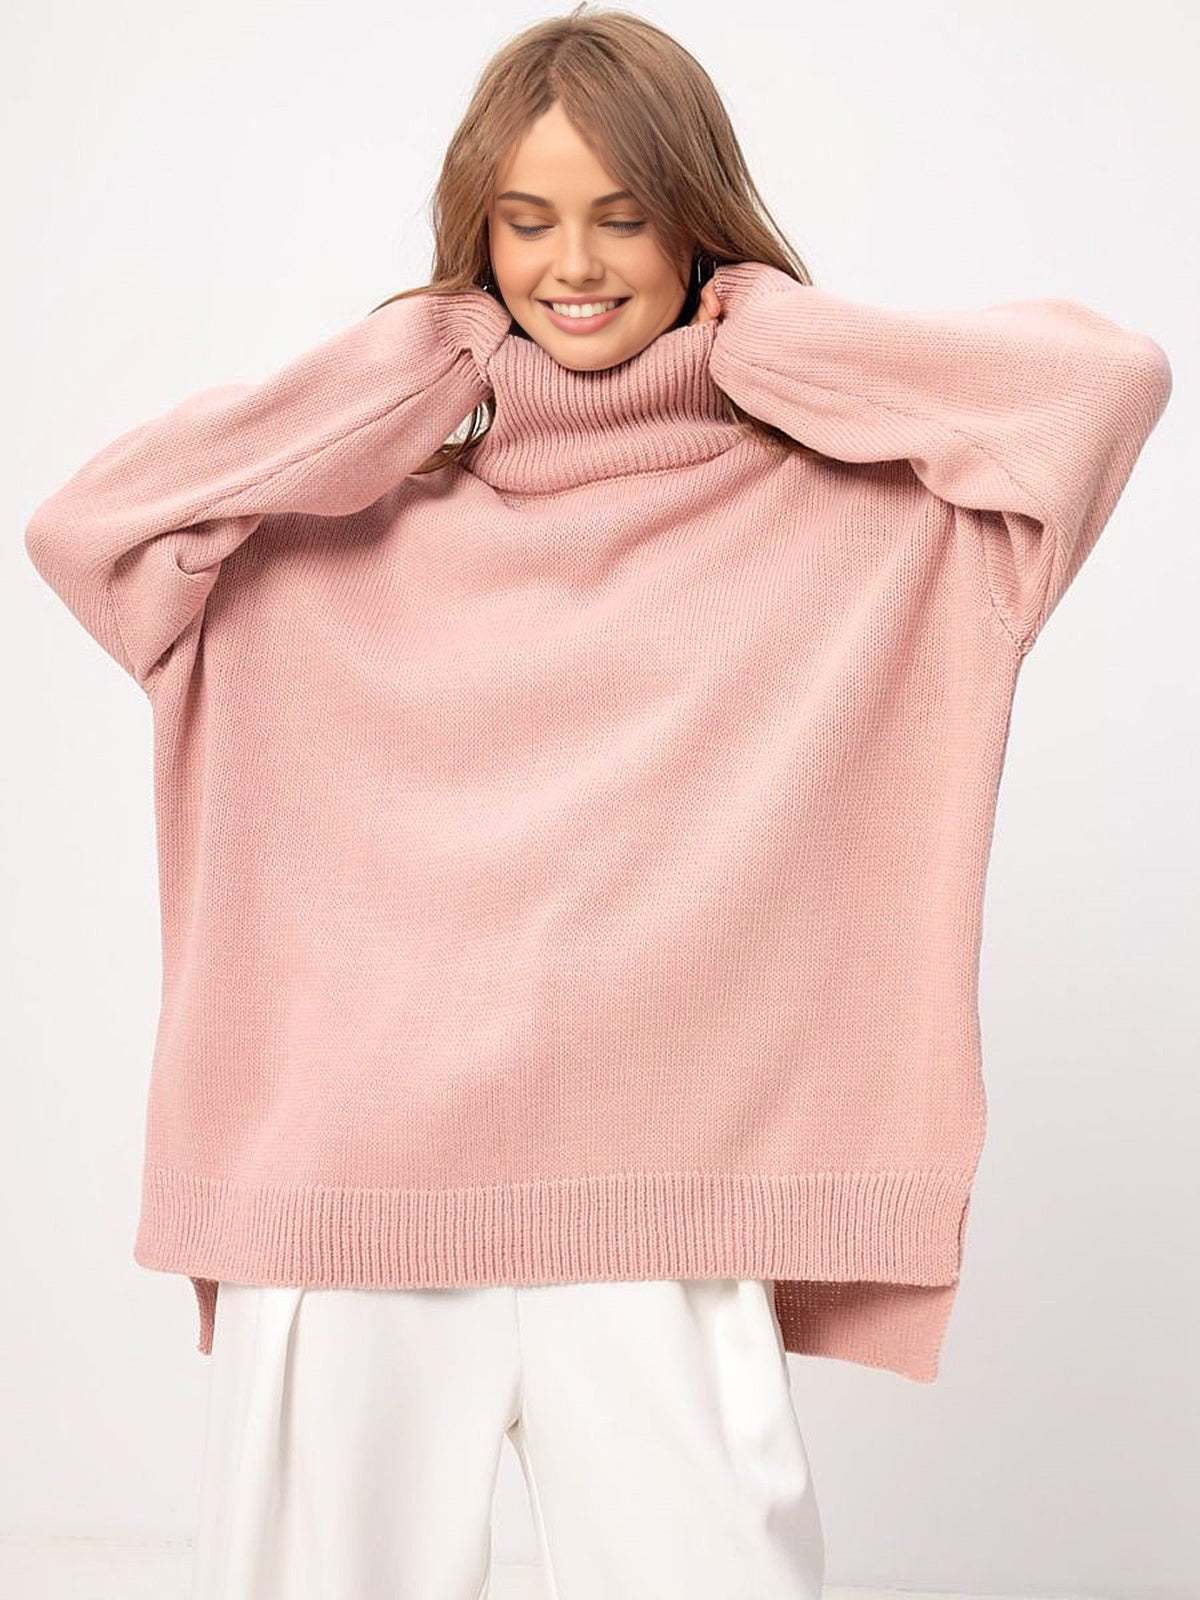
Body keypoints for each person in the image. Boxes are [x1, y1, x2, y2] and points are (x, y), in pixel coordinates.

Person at [22, 7, 1171, 1599]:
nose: (571, 263)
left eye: (625, 216)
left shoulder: (869, 525)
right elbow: (93, 529)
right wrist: (421, 357)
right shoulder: (314, 547)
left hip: (667, 1210)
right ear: (476, 238)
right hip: (347, 1206)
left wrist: (754, 331)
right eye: (526, 219)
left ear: (696, 222)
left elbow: (1097, 390)